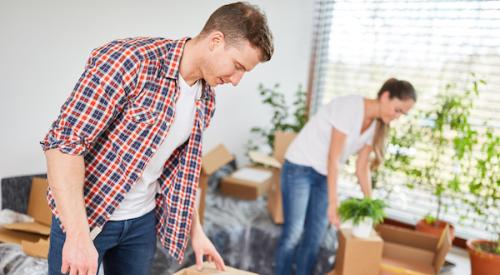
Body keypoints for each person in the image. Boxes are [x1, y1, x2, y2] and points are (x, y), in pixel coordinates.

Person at [41, 2, 273, 275]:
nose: (236, 80)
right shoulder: (130, 61)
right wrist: (78, 238)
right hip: (88, 216)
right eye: (237, 66)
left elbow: (179, 173)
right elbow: (63, 146)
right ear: (215, 41)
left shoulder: (205, 97)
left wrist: (196, 232)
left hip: (141, 223)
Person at [274, 78, 417, 275]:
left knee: (315, 236)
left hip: (323, 174)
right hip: (300, 166)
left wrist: (370, 203)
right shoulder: (350, 107)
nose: (398, 116)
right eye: (398, 109)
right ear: (385, 96)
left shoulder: (376, 126)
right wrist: (334, 203)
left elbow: (362, 167)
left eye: (403, 114)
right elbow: (334, 158)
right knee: (294, 232)